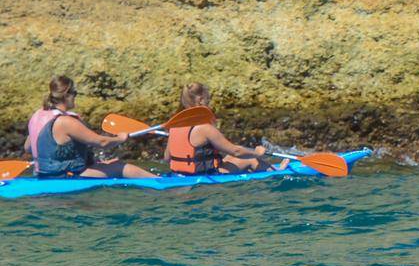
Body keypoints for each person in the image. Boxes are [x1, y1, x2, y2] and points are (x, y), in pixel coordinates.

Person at [25, 75, 155, 179]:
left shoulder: (38, 115)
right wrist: (120, 138)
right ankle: (164, 183)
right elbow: (102, 142)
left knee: (110, 163)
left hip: (42, 175)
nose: (75, 97)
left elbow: (29, 148)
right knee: (122, 167)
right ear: (67, 95)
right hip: (68, 176)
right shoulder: (66, 122)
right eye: (74, 93)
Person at [164, 83, 281, 174]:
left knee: (230, 157)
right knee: (251, 159)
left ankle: (267, 169)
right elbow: (236, 151)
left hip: (180, 174)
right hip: (206, 175)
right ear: (200, 100)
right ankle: (277, 173)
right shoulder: (205, 128)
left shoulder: (175, 126)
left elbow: (167, 158)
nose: (209, 104)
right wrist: (257, 153)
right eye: (208, 100)